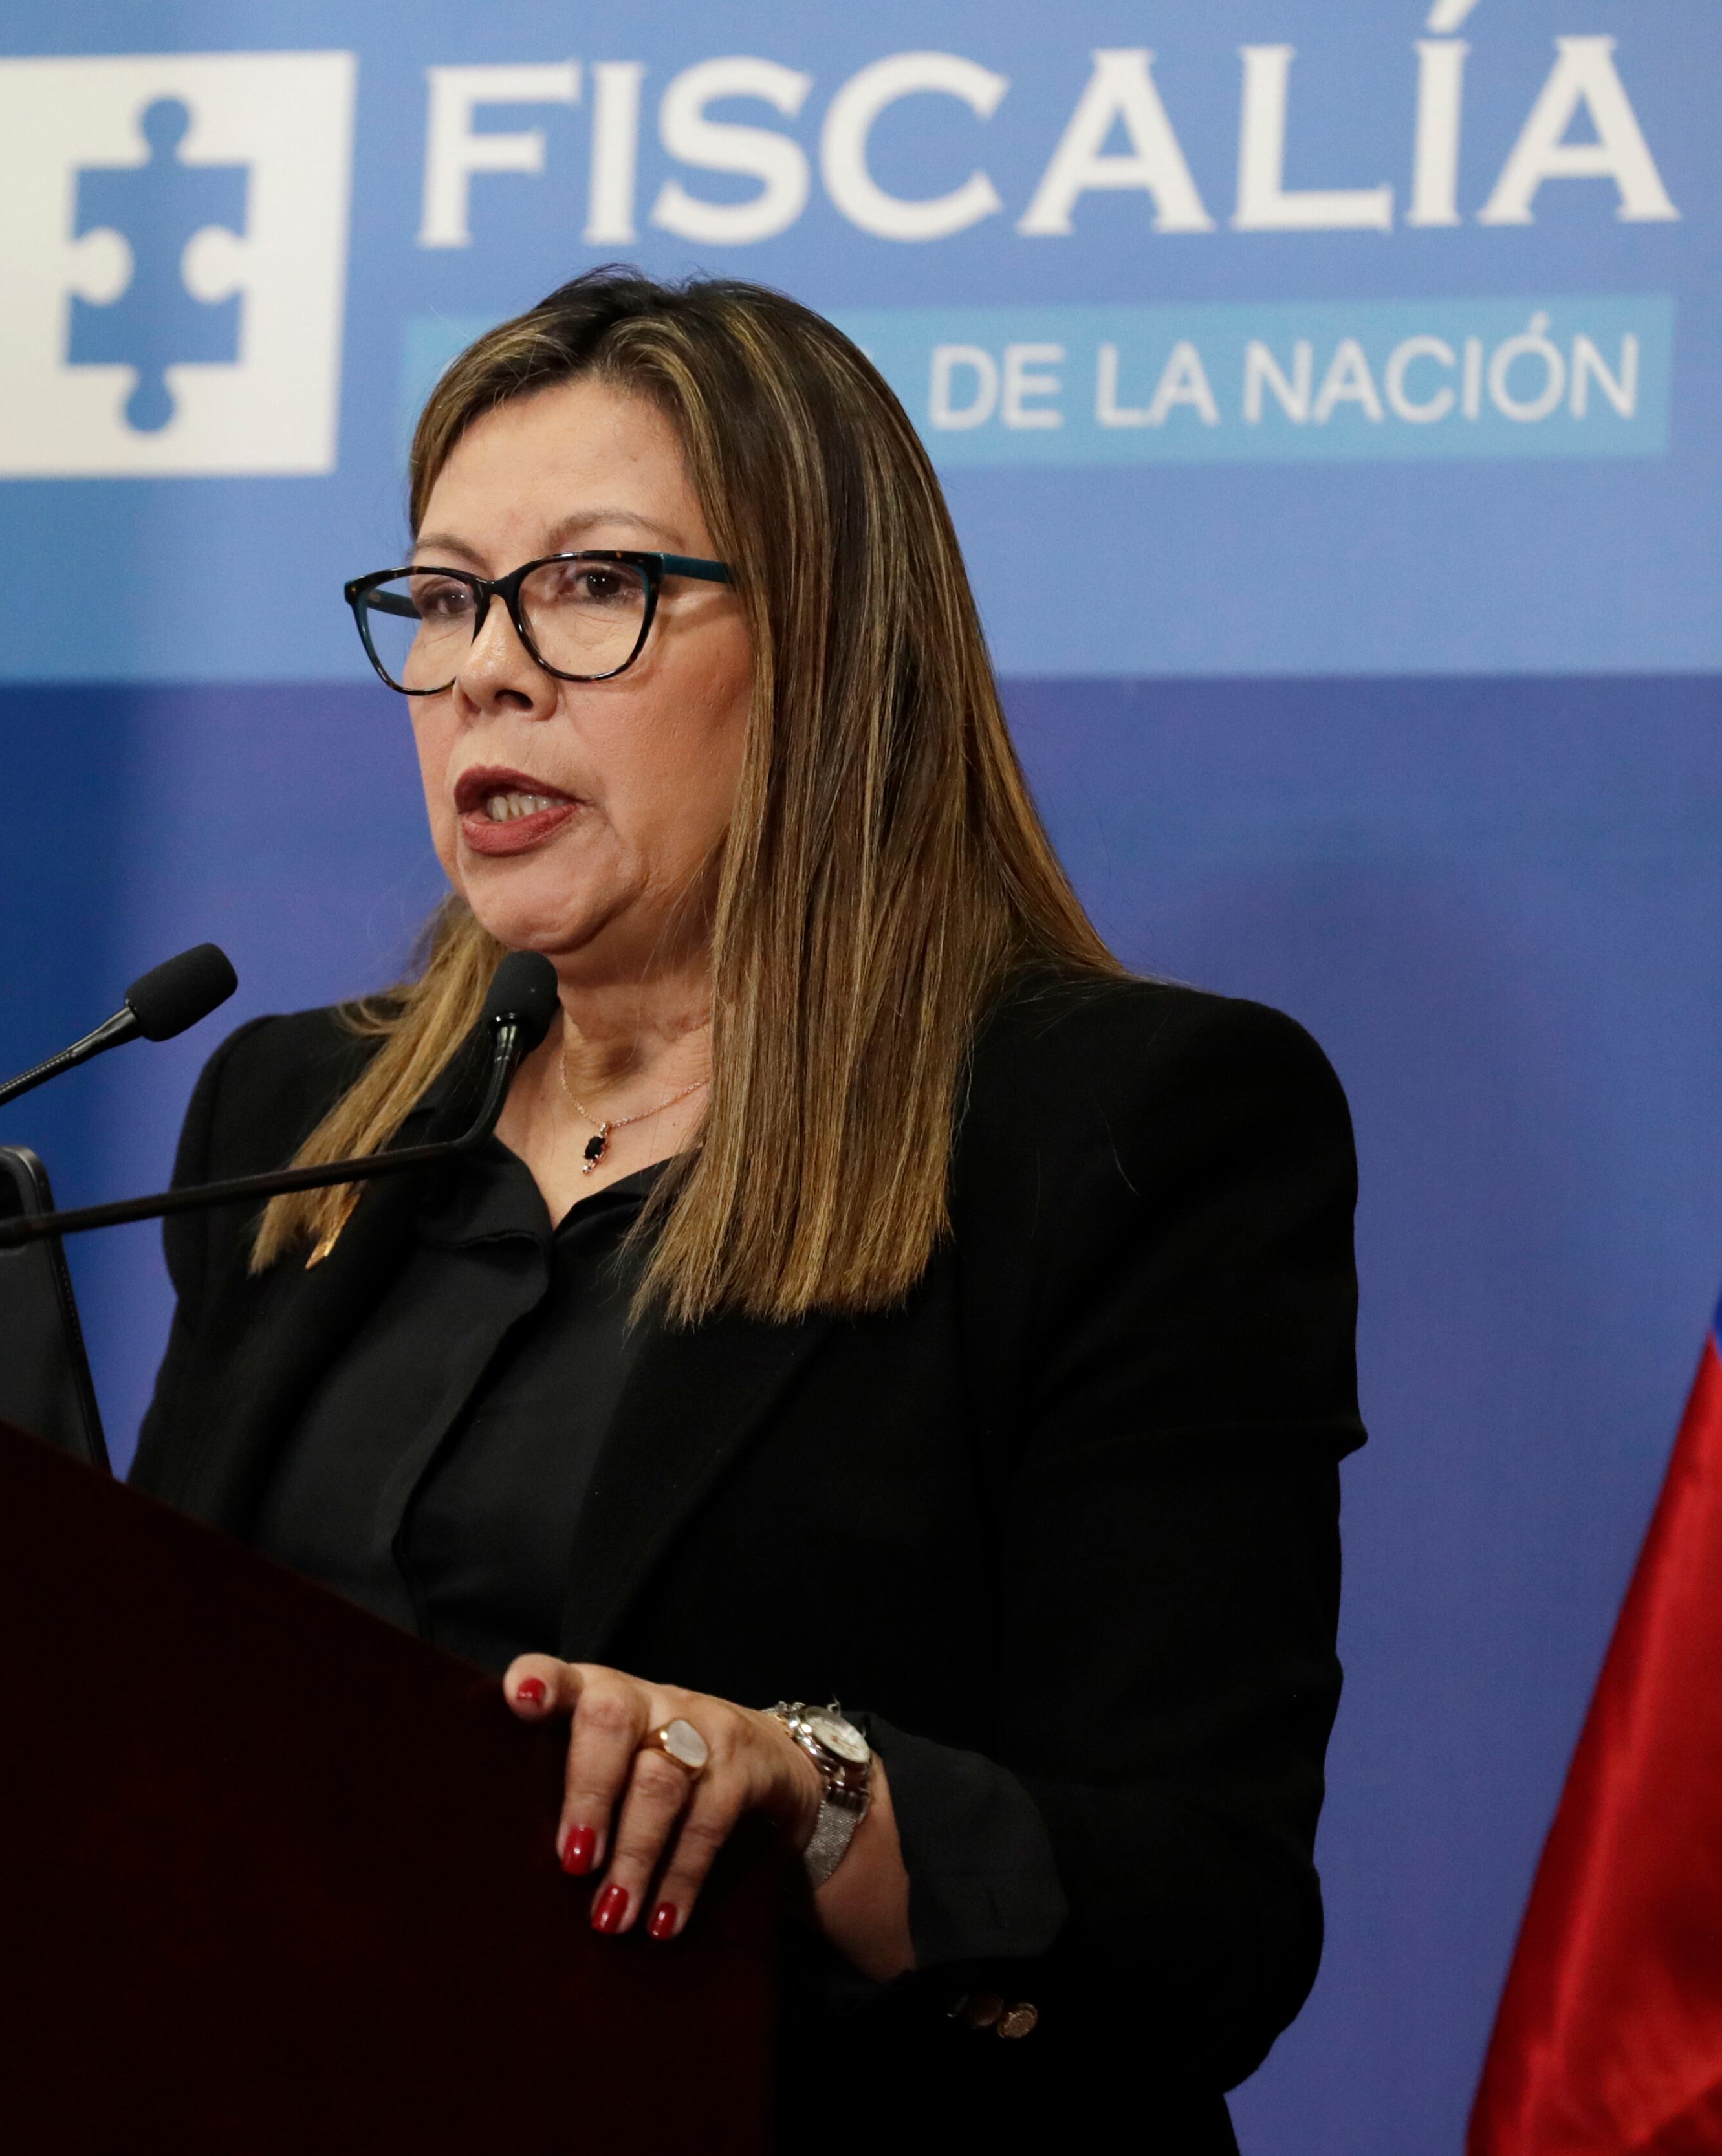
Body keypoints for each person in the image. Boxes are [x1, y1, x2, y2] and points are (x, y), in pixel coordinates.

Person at [129, 270, 1360, 2151]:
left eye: (595, 586)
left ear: (829, 651)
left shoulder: (1119, 1128)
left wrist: (821, 1796)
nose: (486, 671)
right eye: (446, 597)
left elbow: (1204, 1919)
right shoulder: (302, 1120)